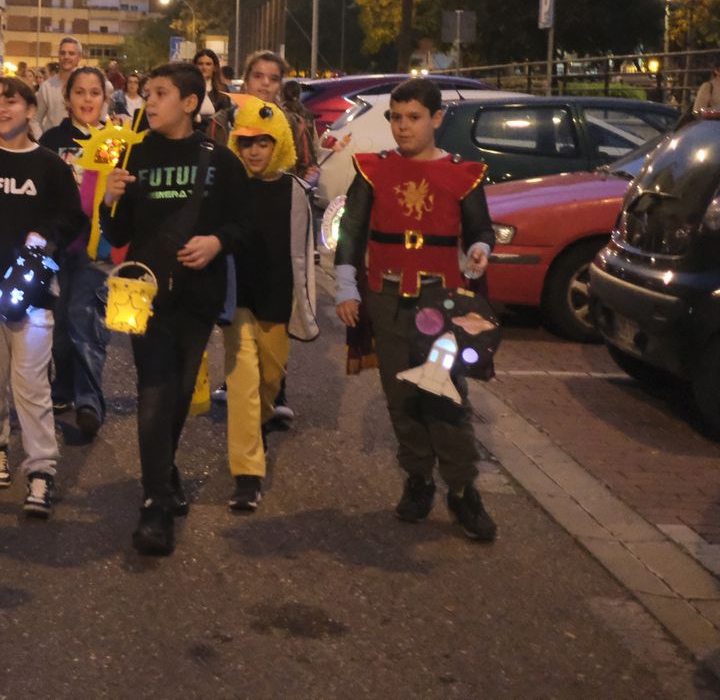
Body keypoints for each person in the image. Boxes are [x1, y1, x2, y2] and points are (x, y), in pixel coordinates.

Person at [333, 78, 499, 542]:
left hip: (439, 307)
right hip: (385, 298)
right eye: (396, 117)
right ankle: (419, 479)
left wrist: (480, 248)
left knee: (444, 396)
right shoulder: (372, 169)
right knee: (401, 395)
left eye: (413, 118)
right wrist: (346, 286)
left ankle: (463, 490)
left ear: (437, 119)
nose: (402, 127)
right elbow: (351, 231)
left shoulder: (463, 173)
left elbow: (479, 227)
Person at [101, 62, 249, 555]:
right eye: (146, 93)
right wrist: (109, 201)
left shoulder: (220, 159)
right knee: (154, 390)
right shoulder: (132, 154)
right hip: (140, 293)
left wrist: (215, 241)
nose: (150, 102)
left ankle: (164, 471)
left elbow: (242, 226)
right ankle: (155, 503)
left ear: (189, 102)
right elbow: (118, 237)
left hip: (198, 294)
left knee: (181, 393)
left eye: (160, 93)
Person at [0, 76, 85, 518]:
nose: (1, 110)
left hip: (35, 290)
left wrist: (45, 235)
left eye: (11, 102)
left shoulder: (50, 166)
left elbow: (71, 218)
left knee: (31, 382)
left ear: (30, 109)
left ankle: (41, 469)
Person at [223, 99, 318, 512]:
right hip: (238, 299)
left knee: (268, 382)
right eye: (246, 144)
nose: (255, 151)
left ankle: (258, 426)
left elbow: (305, 256)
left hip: (278, 300)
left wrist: (306, 308)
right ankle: (247, 475)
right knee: (243, 381)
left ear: (279, 143)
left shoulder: (296, 193)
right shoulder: (230, 188)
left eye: (264, 142)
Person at [38, 65, 114, 439]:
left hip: (97, 248)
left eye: (94, 93)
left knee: (86, 318)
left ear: (105, 98)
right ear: (67, 99)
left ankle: (89, 400)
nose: (87, 100)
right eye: (80, 93)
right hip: (57, 244)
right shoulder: (52, 139)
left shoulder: (117, 141)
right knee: (60, 324)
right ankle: (63, 387)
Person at [35, 37, 92, 135]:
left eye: (71, 53)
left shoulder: (89, 85)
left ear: (79, 57)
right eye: (63, 53)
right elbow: (35, 120)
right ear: (58, 56)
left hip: (83, 144)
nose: (66, 57)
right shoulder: (46, 87)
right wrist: (42, 142)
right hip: (53, 145)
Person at [194, 50, 235, 122]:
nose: (204, 67)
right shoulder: (188, 88)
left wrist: (200, 118)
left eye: (208, 64)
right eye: (200, 64)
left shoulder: (223, 90)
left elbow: (225, 115)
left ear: (215, 67)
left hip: (214, 131)